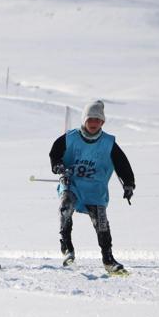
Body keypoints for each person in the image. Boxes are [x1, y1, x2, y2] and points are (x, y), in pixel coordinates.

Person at [48, 100, 135, 274]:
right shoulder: (70, 137)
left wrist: (129, 184)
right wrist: (57, 166)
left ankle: (108, 259)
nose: (94, 123)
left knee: (101, 223)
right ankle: (67, 247)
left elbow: (122, 163)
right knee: (66, 207)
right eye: (90, 120)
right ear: (84, 121)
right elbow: (55, 153)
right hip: (71, 184)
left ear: (102, 122)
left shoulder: (108, 142)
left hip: (95, 189)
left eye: (98, 120)